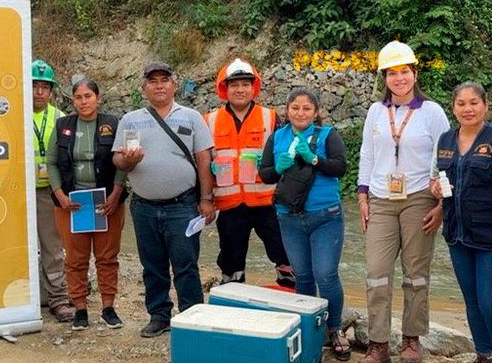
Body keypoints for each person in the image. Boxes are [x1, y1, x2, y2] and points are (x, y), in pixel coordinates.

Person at [358, 41, 450, 363]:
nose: (399, 79)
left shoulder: (433, 112)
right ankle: (378, 344)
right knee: (377, 272)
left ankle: (411, 341)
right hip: (381, 199)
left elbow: (447, 159)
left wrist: (442, 206)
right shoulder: (375, 112)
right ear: (385, 77)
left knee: (416, 273)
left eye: (405, 72)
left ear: (415, 73)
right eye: (393, 73)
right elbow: (367, 154)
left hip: (420, 199)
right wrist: (362, 195)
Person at [112, 61, 215, 338]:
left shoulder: (192, 117)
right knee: (152, 266)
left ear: (174, 84)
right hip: (143, 206)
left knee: (186, 264)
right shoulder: (130, 119)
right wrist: (128, 160)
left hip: (182, 205)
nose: (159, 85)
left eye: (164, 80)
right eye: (153, 81)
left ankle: (193, 317)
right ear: (144, 87)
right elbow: (118, 160)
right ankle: (159, 316)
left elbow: (204, 159)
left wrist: (206, 198)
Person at [430, 82, 492, 363]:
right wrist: (434, 191)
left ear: (485, 105)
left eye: (474, 103)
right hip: (458, 235)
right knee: (471, 300)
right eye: (461, 104)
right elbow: (435, 180)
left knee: (490, 302)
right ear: (453, 108)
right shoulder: (444, 141)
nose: (468, 109)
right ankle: (484, 354)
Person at [259, 88, 350, 361]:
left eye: (307, 109)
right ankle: (308, 327)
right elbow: (264, 174)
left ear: (316, 112)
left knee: (326, 274)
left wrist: (313, 159)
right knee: (303, 275)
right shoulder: (277, 137)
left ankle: (334, 328)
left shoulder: (327, 135)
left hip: (325, 216)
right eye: (295, 108)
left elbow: (340, 167)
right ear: (287, 110)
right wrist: (278, 167)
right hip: (289, 218)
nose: (300, 113)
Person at [203, 58, 295, 287]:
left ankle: (291, 297)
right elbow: (201, 164)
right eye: (234, 85)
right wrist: (204, 198)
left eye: (245, 84)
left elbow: (288, 155)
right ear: (225, 89)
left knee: (285, 253)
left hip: (268, 202)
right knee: (231, 260)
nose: (240, 89)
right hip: (229, 205)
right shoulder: (209, 121)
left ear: (253, 87)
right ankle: (233, 300)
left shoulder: (271, 118)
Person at [47, 79, 129, 331]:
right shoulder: (62, 126)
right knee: (75, 258)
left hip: (107, 202)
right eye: (78, 97)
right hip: (72, 203)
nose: (83, 101)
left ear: (98, 98)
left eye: (88, 96)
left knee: (107, 257)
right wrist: (60, 195)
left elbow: (122, 161)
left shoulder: (113, 124)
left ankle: (108, 307)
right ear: (73, 101)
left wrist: (116, 194)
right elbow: (51, 163)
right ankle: (80, 309)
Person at [31, 59, 74, 322]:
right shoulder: (11, 113)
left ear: (51, 91)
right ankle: (24, 298)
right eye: (34, 86)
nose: (39, 92)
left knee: (52, 247)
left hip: (49, 191)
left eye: (44, 87)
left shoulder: (59, 118)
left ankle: (57, 298)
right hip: (18, 192)